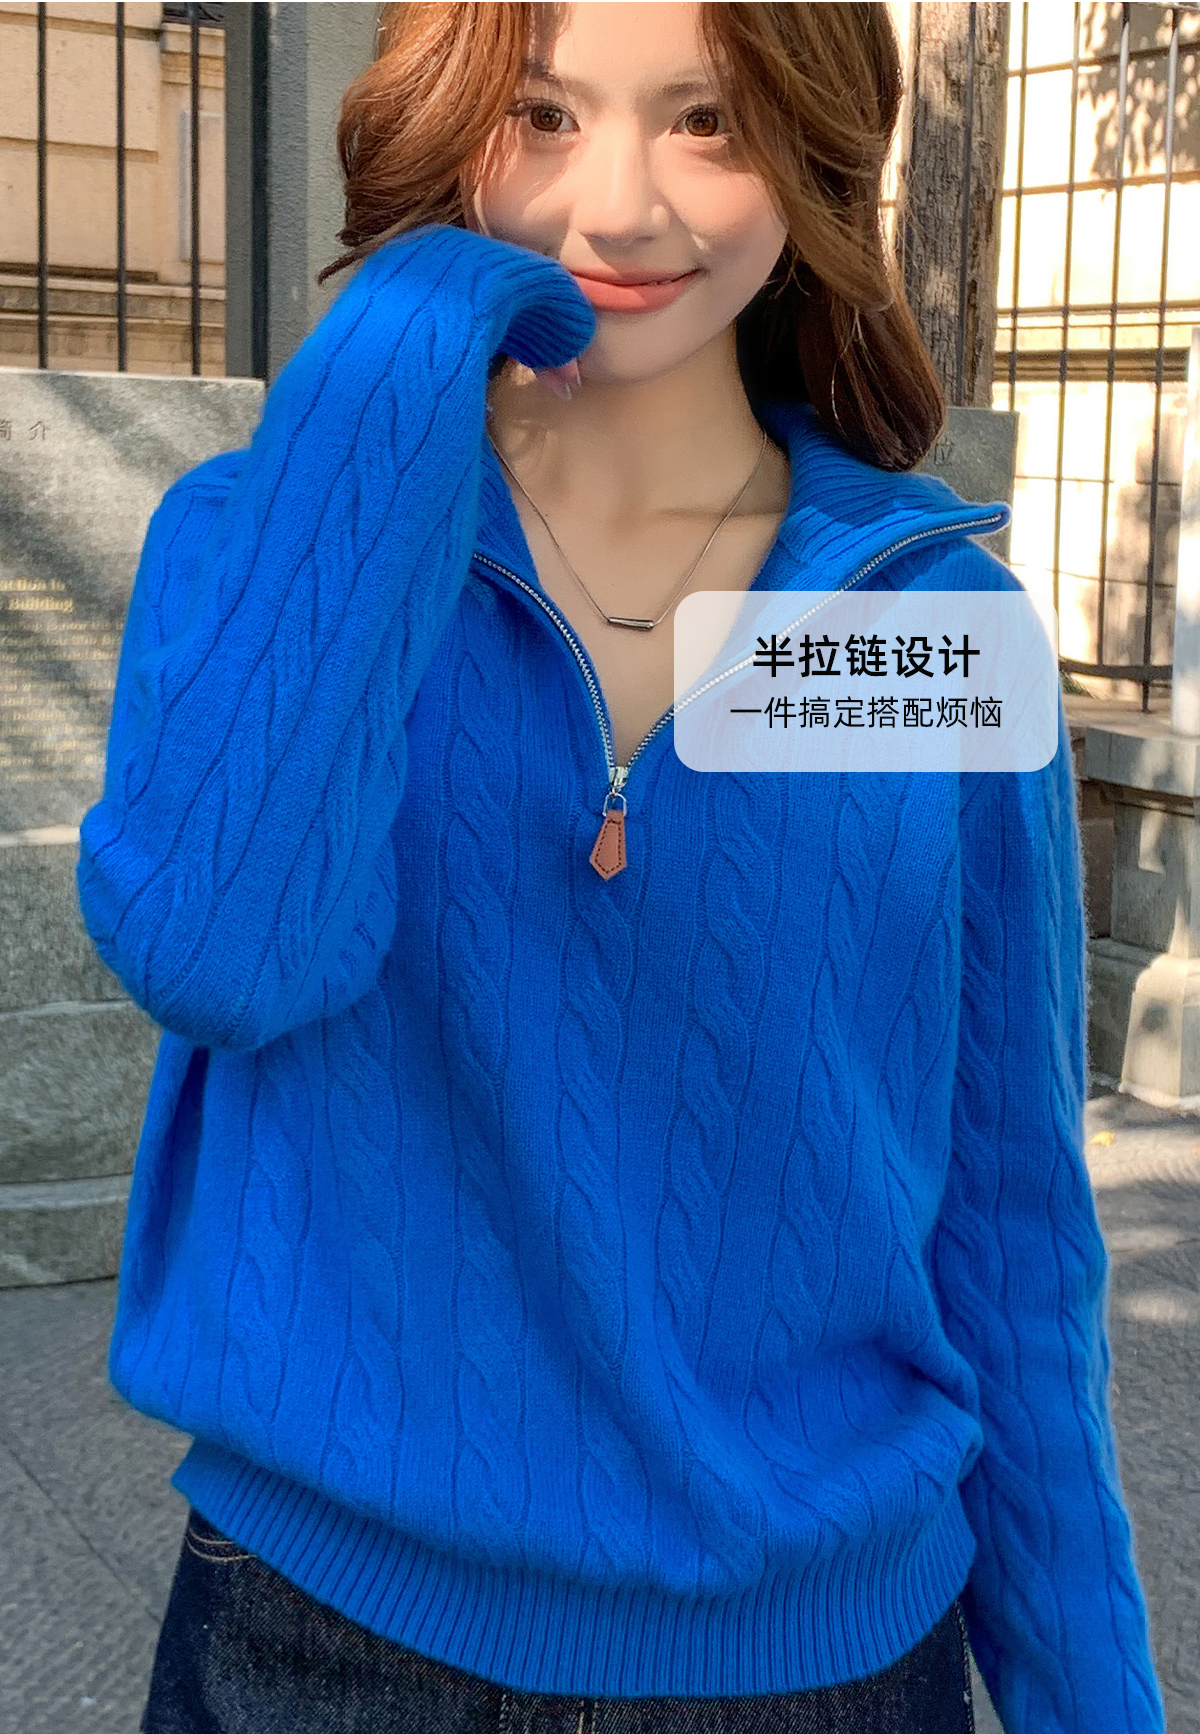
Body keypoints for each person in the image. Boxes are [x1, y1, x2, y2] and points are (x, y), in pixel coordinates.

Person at [76, 4, 1167, 1731]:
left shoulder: (927, 626)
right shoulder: (263, 541)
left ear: (810, 147)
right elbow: (221, 949)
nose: (622, 205)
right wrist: (404, 342)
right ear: (446, 126)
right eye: (541, 114)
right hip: (316, 1647)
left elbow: (1013, 1227)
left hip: (825, 1663)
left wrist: (1088, 1695)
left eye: (709, 122)